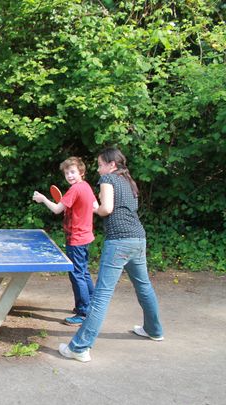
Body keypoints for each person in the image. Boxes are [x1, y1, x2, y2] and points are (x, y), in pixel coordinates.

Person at [59, 147, 164, 363]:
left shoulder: (108, 179)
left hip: (119, 242)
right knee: (143, 286)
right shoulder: (129, 181)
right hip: (138, 238)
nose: (98, 169)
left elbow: (106, 209)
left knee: (101, 295)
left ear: (111, 165)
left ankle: (79, 347)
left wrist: (95, 208)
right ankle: (154, 330)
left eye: (100, 165)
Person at [33, 156, 97, 326]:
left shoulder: (75, 189)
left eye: (73, 172)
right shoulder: (86, 187)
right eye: (67, 173)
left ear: (81, 172)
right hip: (86, 236)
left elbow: (56, 210)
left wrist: (43, 199)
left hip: (76, 238)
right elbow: (95, 207)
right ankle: (92, 304)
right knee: (83, 271)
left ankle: (83, 312)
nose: (69, 175)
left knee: (77, 274)